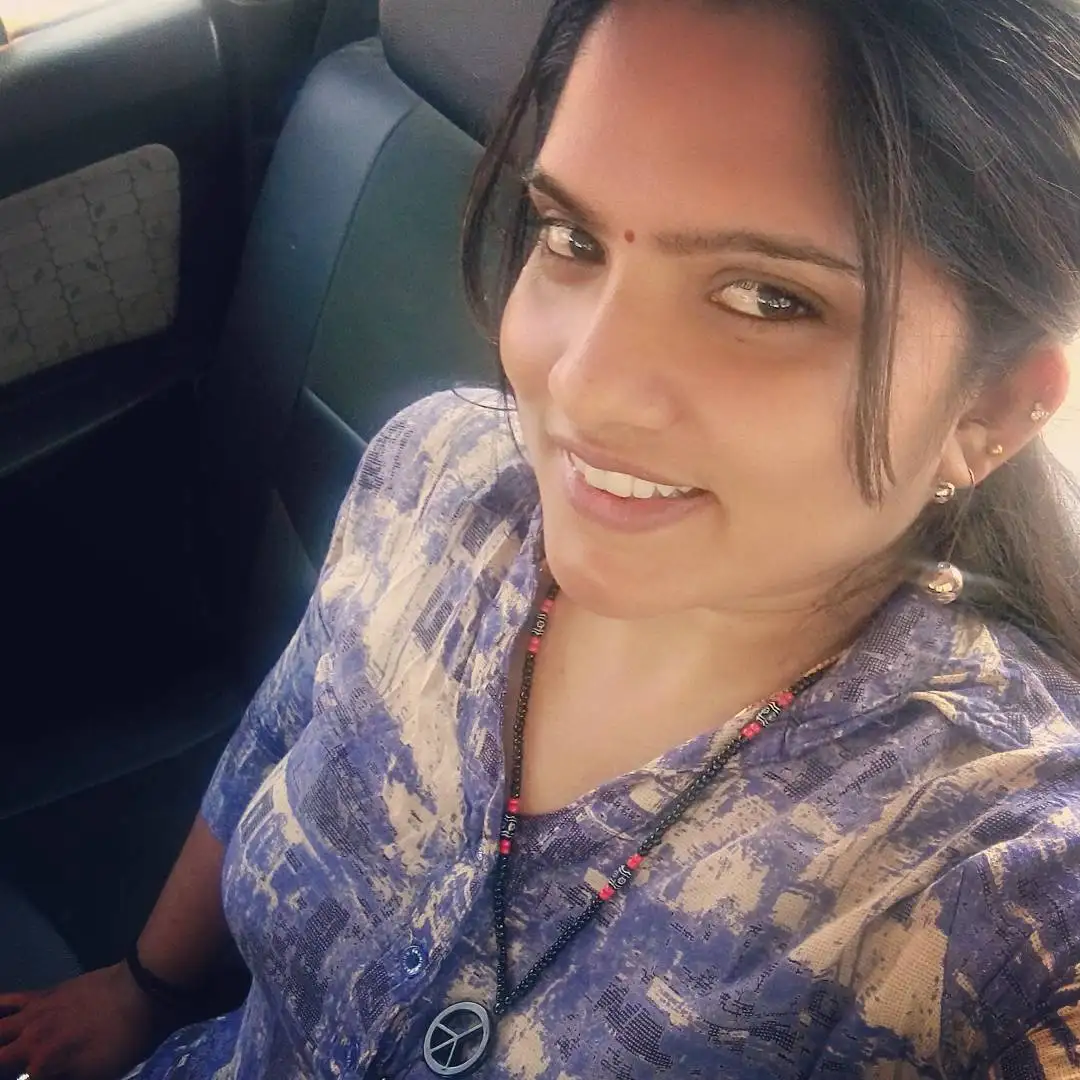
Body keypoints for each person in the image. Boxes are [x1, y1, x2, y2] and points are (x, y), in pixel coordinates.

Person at [5, 0, 1080, 1076]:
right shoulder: (439, 474)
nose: (581, 384)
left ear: (992, 408)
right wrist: (143, 989)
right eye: (572, 238)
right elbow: (277, 736)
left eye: (766, 298)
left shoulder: (1000, 884)